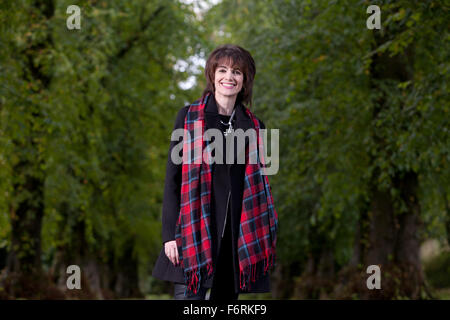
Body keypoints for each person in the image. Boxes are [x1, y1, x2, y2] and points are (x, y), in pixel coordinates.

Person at [152, 44, 278, 301]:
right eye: (222, 70)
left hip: (234, 238)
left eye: (237, 72)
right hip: (192, 231)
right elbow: (172, 180)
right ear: (212, 76)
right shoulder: (188, 117)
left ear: (245, 81)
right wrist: (169, 236)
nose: (229, 77)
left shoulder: (255, 127)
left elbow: (259, 187)